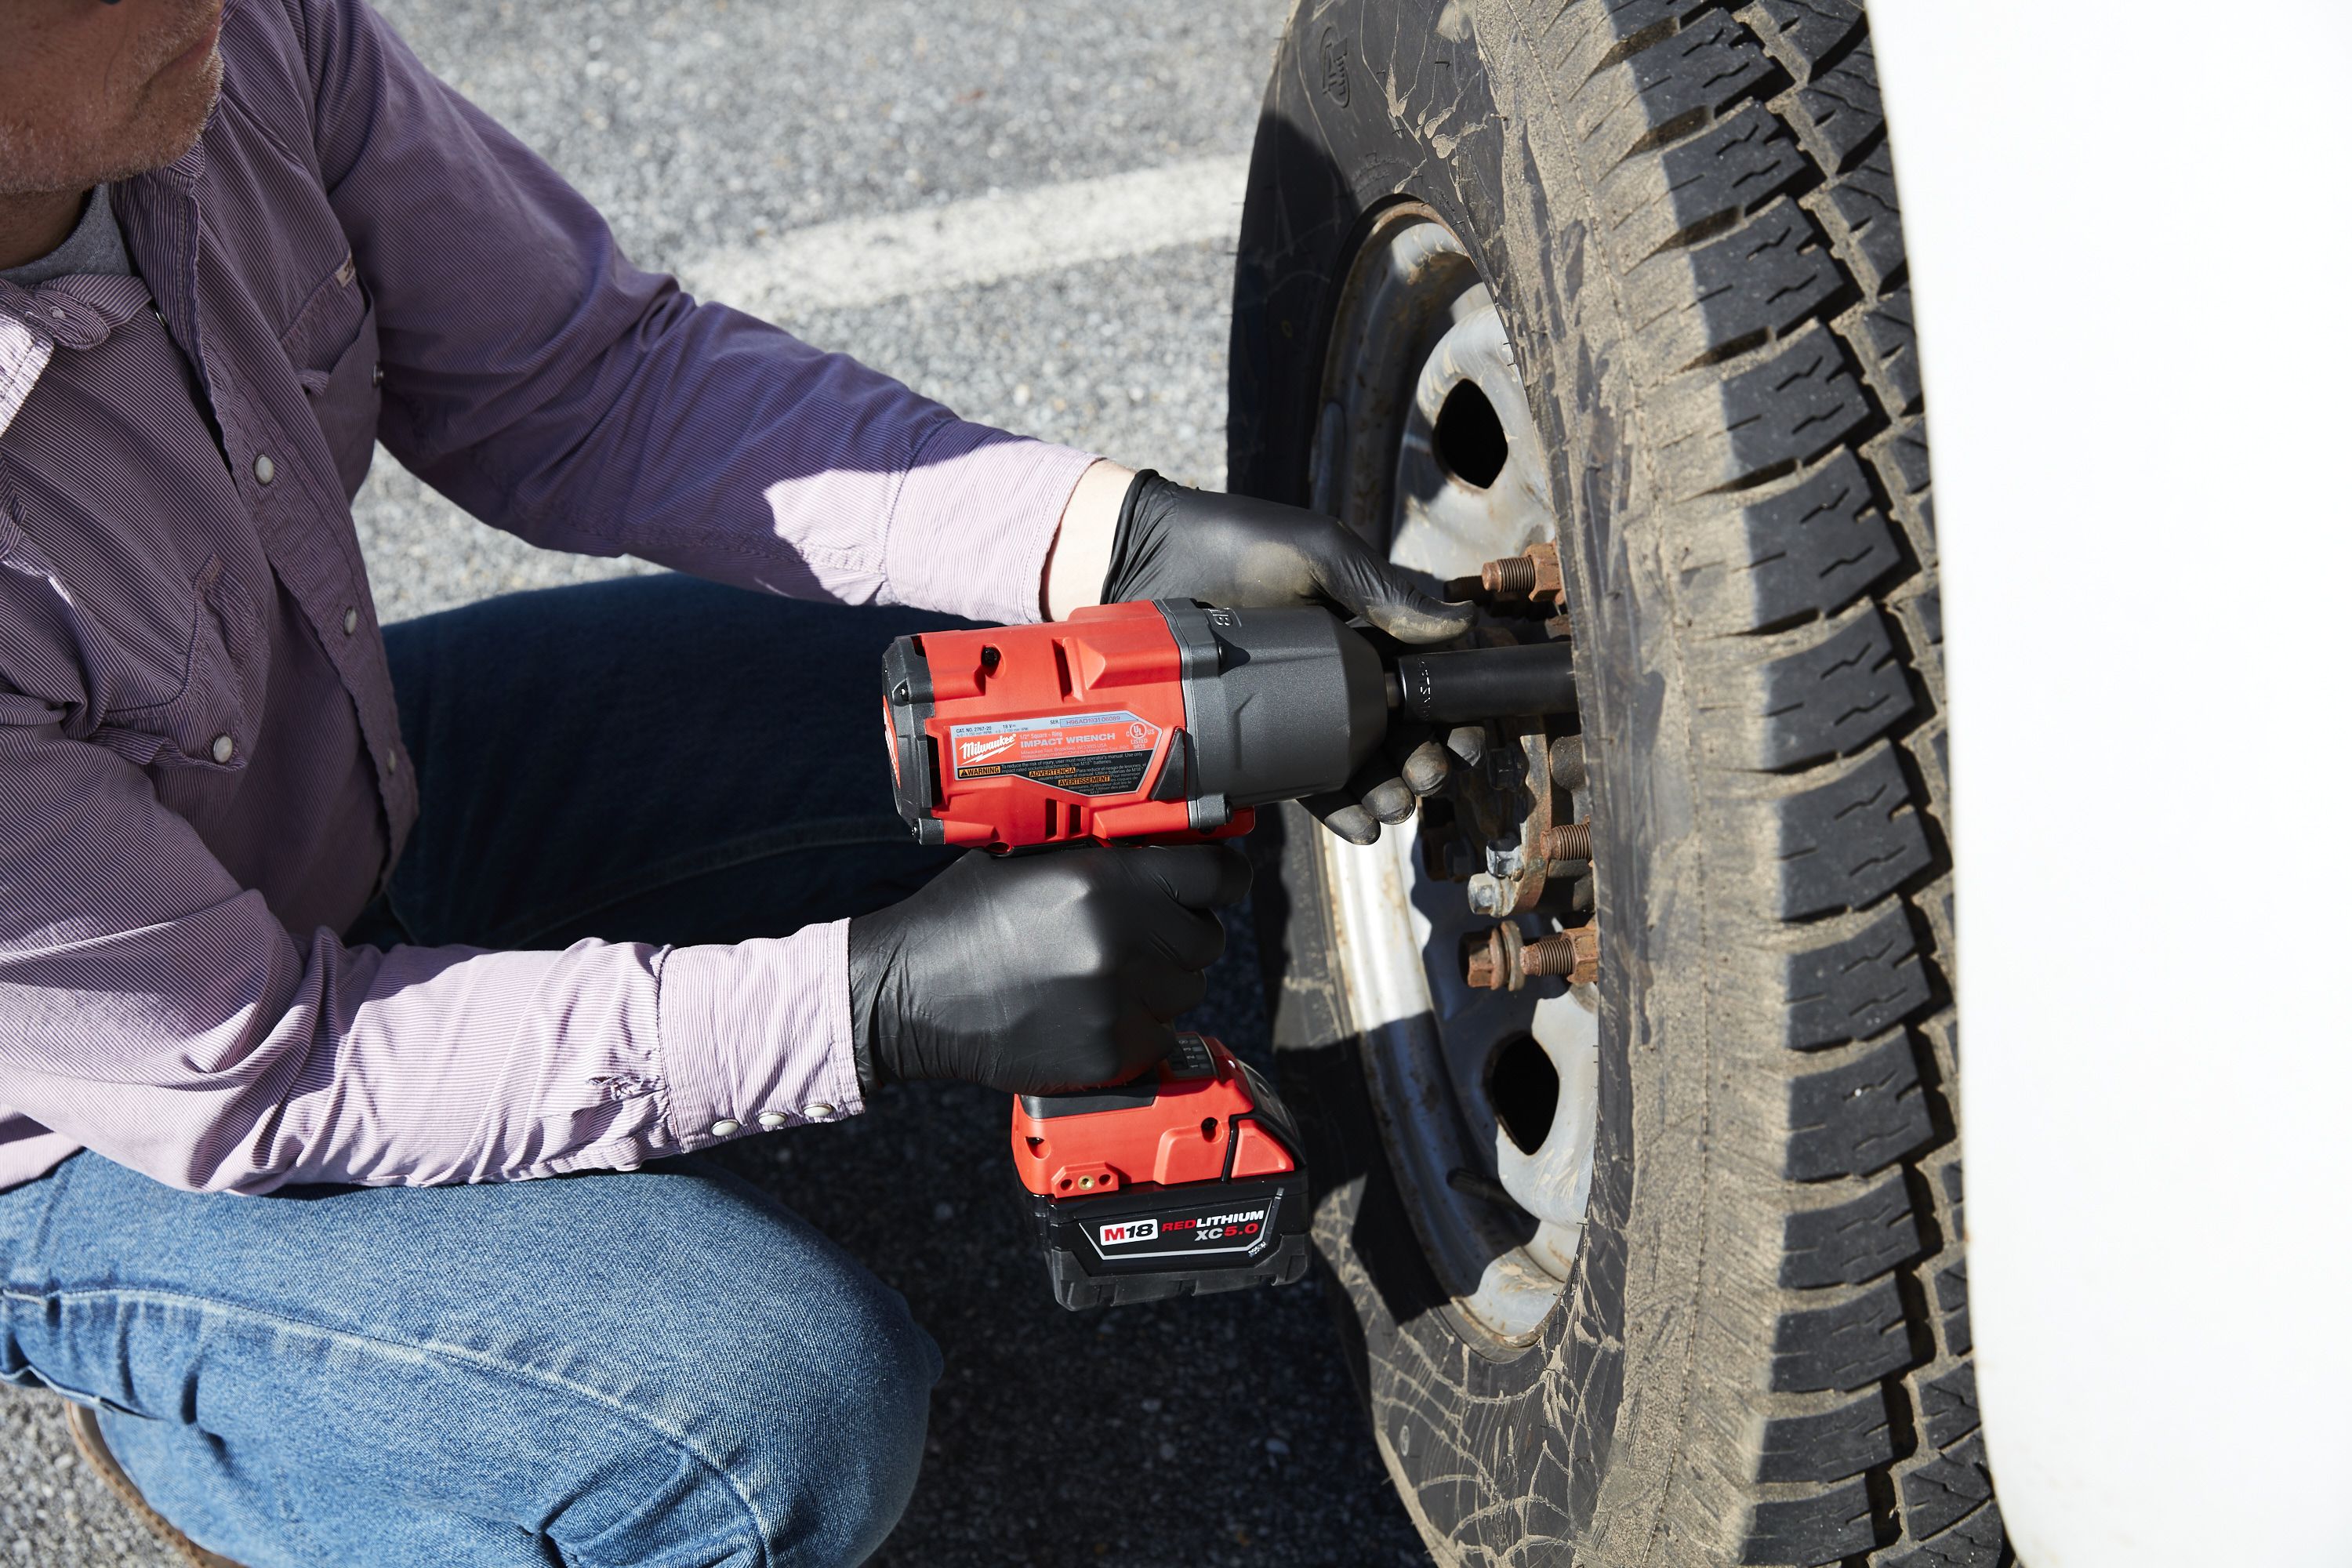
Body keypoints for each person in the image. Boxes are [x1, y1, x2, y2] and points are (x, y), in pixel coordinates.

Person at [0, 1, 1472, 1563]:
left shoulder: (226, 40)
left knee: (1034, 684)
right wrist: (869, 1006)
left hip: (339, 779)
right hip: (117, 1108)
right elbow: (274, 1064)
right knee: (777, 1414)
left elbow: (584, 380)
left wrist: (1107, 538)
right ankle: (253, 1434)